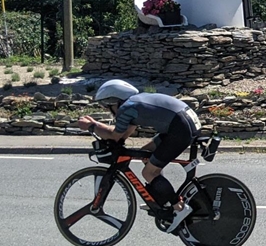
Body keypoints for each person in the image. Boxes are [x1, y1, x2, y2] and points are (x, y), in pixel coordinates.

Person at [78, 80, 202, 234]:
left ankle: (179, 208)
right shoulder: (134, 104)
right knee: (145, 154)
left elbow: (115, 136)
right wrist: (100, 128)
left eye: (106, 107)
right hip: (183, 123)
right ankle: (159, 200)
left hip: (180, 128)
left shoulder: (126, 108)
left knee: (149, 172)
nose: (109, 111)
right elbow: (124, 134)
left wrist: (92, 126)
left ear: (113, 102)